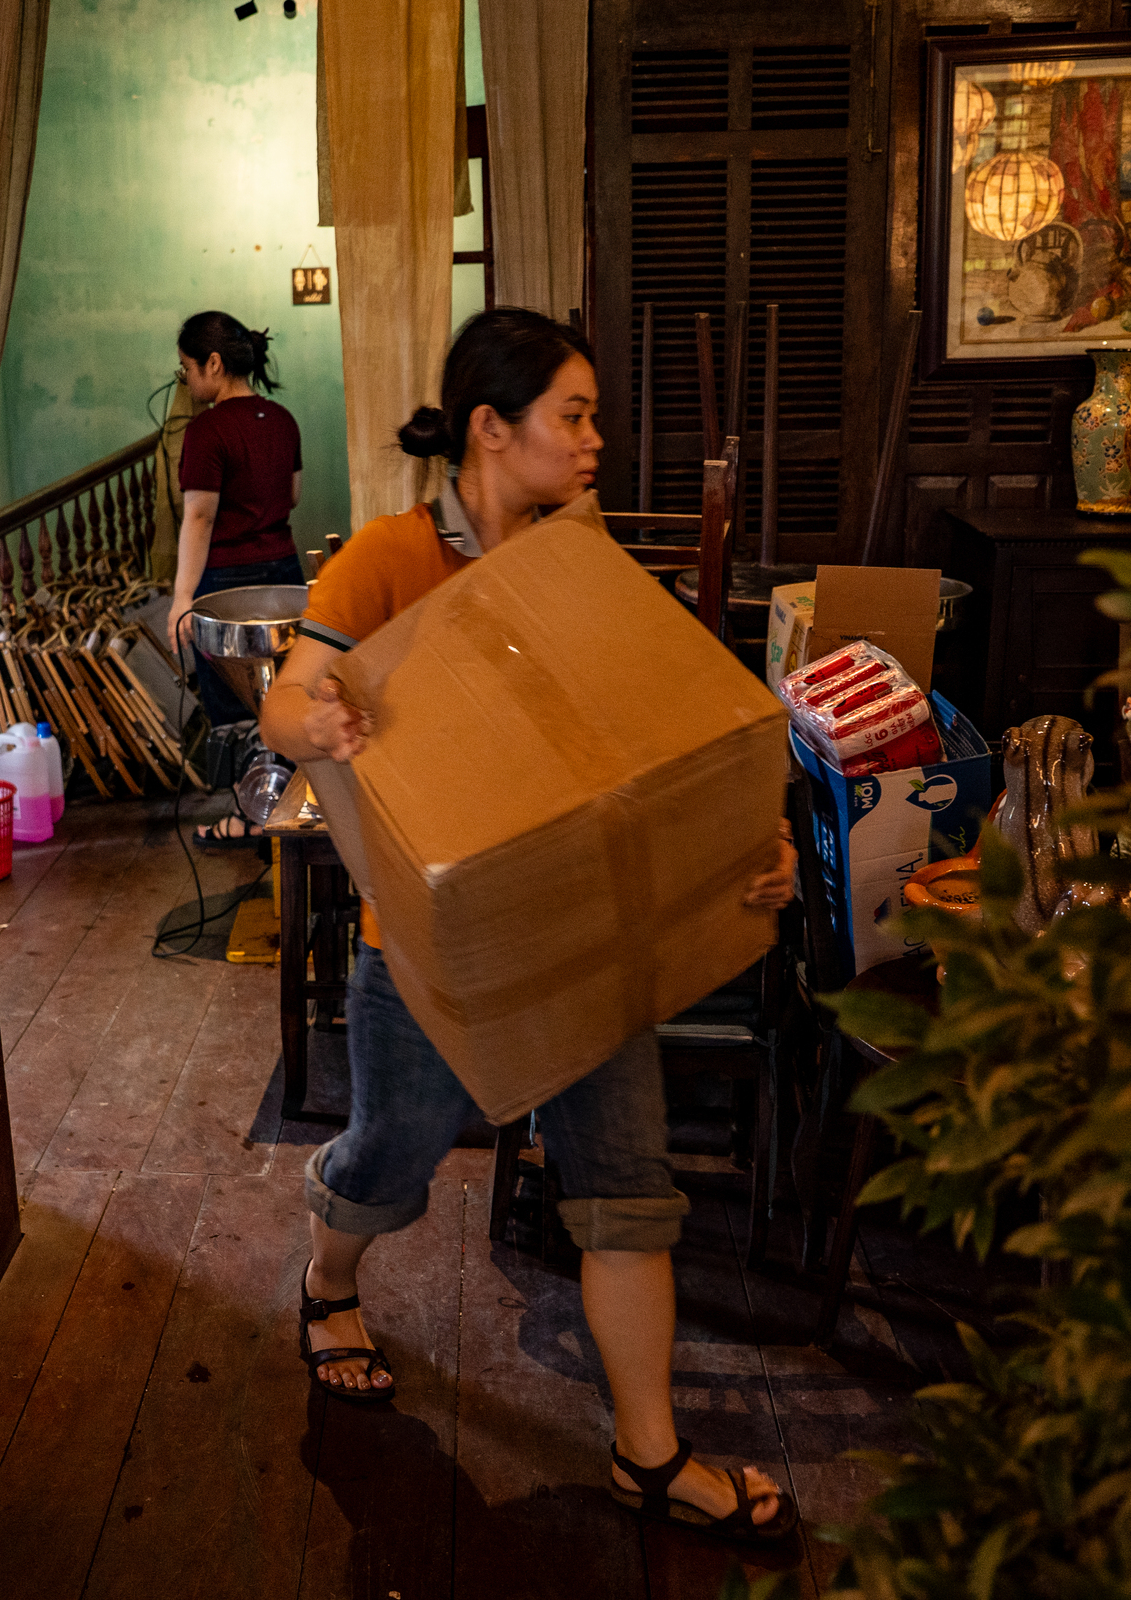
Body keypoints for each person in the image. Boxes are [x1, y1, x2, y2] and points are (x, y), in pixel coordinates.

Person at [257, 308, 801, 1550]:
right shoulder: (391, 558)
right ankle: (329, 1284)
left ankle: (649, 1454)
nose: (596, 440)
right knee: (391, 1157)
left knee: (627, 1188)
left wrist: (748, 842)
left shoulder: (583, 560)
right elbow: (286, 696)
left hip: (585, 941)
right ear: (492, 430)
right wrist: (318, 720)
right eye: (576, 415)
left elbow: (665, 733)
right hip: (428, 950)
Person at [163, 312, 302, 847]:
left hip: (228, 588)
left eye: (187, 368)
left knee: (236, 711)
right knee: (284, 699)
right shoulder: (282, 419)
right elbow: (292, 495)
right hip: (284, 577)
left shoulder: (207, 431)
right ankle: (288, 810)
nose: (185, 379)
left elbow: (199, 518)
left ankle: (249, 818)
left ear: (214, 364)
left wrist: (182, 597)